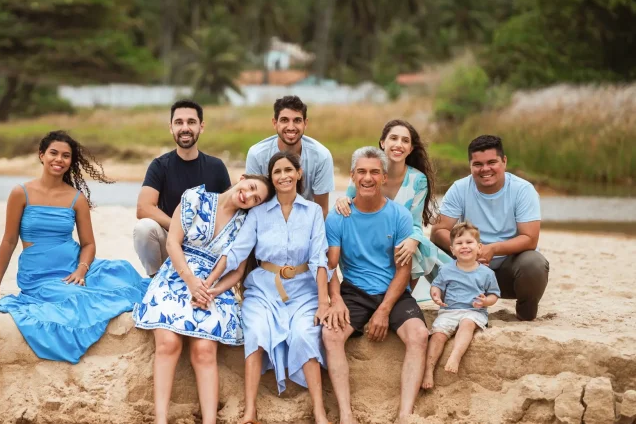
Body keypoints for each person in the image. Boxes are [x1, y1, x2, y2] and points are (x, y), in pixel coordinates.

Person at [0, 130, 150, 364]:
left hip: (74, 266)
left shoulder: (76, 198)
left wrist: (81, 270)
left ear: (71, 162)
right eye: (53, 153)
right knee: (77, 298)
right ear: (41, 155)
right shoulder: (21, 193)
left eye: (66, 156)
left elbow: (88, 244)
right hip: (39, 275)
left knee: (121, 271)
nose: (59, 159)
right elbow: (9, 240)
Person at [201, 151, 333, 424]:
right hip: (263, 289)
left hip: (304, 290)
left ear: (299, 174)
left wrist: (324, 301)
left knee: (304, 334)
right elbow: (236, 252)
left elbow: (321, 259)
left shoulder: (313, 213)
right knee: (257, 330)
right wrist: (209, 282)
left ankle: (319, 411)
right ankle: (250, 411)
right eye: (277, 172)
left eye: (288, 170)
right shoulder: (259, 213)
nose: (283, 176)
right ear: (272, 179)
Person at [132, 175, 273, 424]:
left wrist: (213, 291)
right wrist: (190, 281)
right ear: (242, 179)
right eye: (250, 188)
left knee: (204, 349)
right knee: (168, 343)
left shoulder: (246, 223)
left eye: (256, 199)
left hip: (214, 286)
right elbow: (173, 244)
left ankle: (209, 420)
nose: (248, 196)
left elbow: (238, 272)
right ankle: (160, 419)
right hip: (177, 274)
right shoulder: (195, 198)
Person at [322, 146, 429, 424]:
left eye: (374, 172)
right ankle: (346, 414)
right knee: (331, 336)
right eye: (362, 172)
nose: (367, 178)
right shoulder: (337, 217)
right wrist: (336, 299)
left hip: (393, 291)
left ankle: (405, 414)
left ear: (383, 177)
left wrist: (384, 310)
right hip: (354, 291)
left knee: (418, 335)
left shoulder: (399, 216)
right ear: (352, 176)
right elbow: (329, 265)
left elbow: (403, 272)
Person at [430, 135, 549, 321]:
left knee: (534, 263)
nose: (485, 169)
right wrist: (468, 250)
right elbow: (438, 232)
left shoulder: (523, 190)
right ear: (470, 165)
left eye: (492, 162)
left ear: (504, 161)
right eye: (478, 164)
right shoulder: (459, 188)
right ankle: (458, 301)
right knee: (426, 248)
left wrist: (492, 248)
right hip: (467, 265)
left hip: (509, 268)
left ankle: (525, 309)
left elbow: (530, 238)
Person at [335, 119, 452, 288]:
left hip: (398, 241)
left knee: (415, 243)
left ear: (411, 149)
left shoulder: (417, 180)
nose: (399, 144)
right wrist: (341, 200)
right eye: (394, 138)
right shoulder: (368, 169)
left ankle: (405, 294)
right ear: (382, 143)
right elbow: (349, 201)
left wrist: (413, 240)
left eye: (405, 141)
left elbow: (415, 225)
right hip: (367, 236)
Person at [134, 99, 232, 277]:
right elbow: (143, 208)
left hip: (207, 247)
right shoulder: (159, 165)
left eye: (191, 122)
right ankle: (155, 279)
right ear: (171, 127)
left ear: (201, 127)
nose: (185, 128)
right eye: (179, 122)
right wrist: (178, 229)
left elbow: (229, 211)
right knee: (144, 228)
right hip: (171, 242)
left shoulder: (216, 166)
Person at [421, 221, 500, 389]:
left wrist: (486, 301)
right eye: (459, 243)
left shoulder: (487, 273)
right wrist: (434, 293)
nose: (464, 246)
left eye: (469, 242)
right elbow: (437, 285)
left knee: (467, 324)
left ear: (479, 248)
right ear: (452, 250)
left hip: (474, 311)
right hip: (449, 310)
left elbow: (494, 294)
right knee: (438, 334)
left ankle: (455, 356)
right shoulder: (446, 269)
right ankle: (429, 369)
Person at [245, 95, 334, 217]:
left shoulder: (321, 156)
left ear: (305, 123)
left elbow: (322, 210)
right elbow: (252, 206)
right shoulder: (256, 154)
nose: (291, 127)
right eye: (284, 120)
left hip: (306, 221)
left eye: (297, 120)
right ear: (275, 123)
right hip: (267, 220)